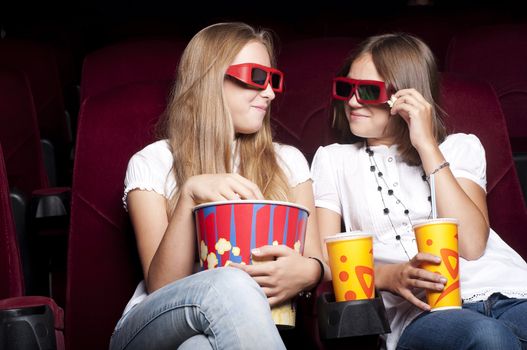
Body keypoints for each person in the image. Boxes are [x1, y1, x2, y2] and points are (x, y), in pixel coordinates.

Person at [109, 22, 328, 350]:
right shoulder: (152, 162)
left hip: (250, 329)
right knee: (229, 282)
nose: (269, 92)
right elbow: (162, 286)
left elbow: (318, 260)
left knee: (197, 348)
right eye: (256, 77)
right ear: (210, 79)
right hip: (151, 326)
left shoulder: (288, 161)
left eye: (273, 80)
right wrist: (188, 197)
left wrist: (308, 273)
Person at [311, 32, 527, 350]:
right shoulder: (333, 160)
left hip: (511, 292)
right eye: (346, 88)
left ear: (406, 97)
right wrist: (388, 277)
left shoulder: (459, 147)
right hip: (424, 313)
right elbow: (323, 261)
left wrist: (426, 145)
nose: (352, 101)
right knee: (490, 338)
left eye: (368, 91)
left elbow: (471, 245)